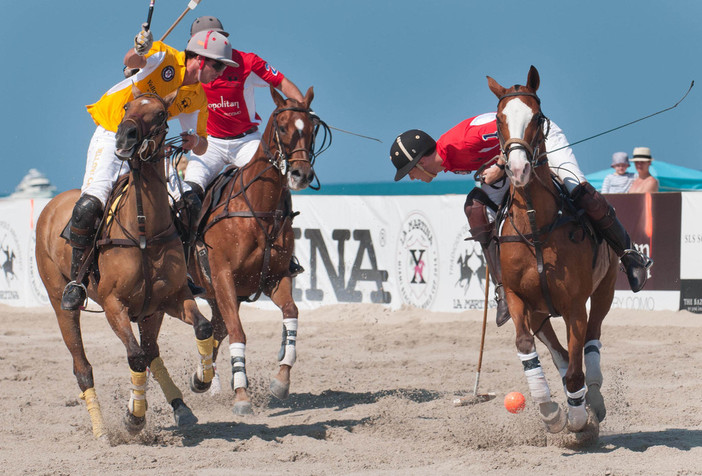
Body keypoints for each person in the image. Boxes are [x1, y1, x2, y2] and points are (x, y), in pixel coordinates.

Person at [390, 113, 653, 326]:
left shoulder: (462, 141)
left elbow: (513, 128)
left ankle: (629, 255)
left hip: (541, 137)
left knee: (579, 190)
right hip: (516, 162)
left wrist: (502, 163)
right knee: (475, 208)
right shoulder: (448, 161)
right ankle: (503, 288)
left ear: (421, 160)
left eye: (409, 170)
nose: (411, 177)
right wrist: (494, 169)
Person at [60, 25, 238, 311]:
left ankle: (184, 273)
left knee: (189, 204)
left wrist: (195, 141)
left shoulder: (197, 96)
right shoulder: (166, 57)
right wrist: (140, 49)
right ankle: (77, 280)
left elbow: (202, 144)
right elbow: (133, 61)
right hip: (113, 134)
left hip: (149, 149)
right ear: (200, 59)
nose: (220, 73)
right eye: (218, 66)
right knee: (89, 204)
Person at [176, 16, 307, 277]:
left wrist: (301, 108)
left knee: (275, 183)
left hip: (246, 141)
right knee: (190, 194)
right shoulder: (187, 70)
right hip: (209, 144)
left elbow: (280, 82)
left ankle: (286, 253)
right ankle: (187, 257)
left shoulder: (246, 62)